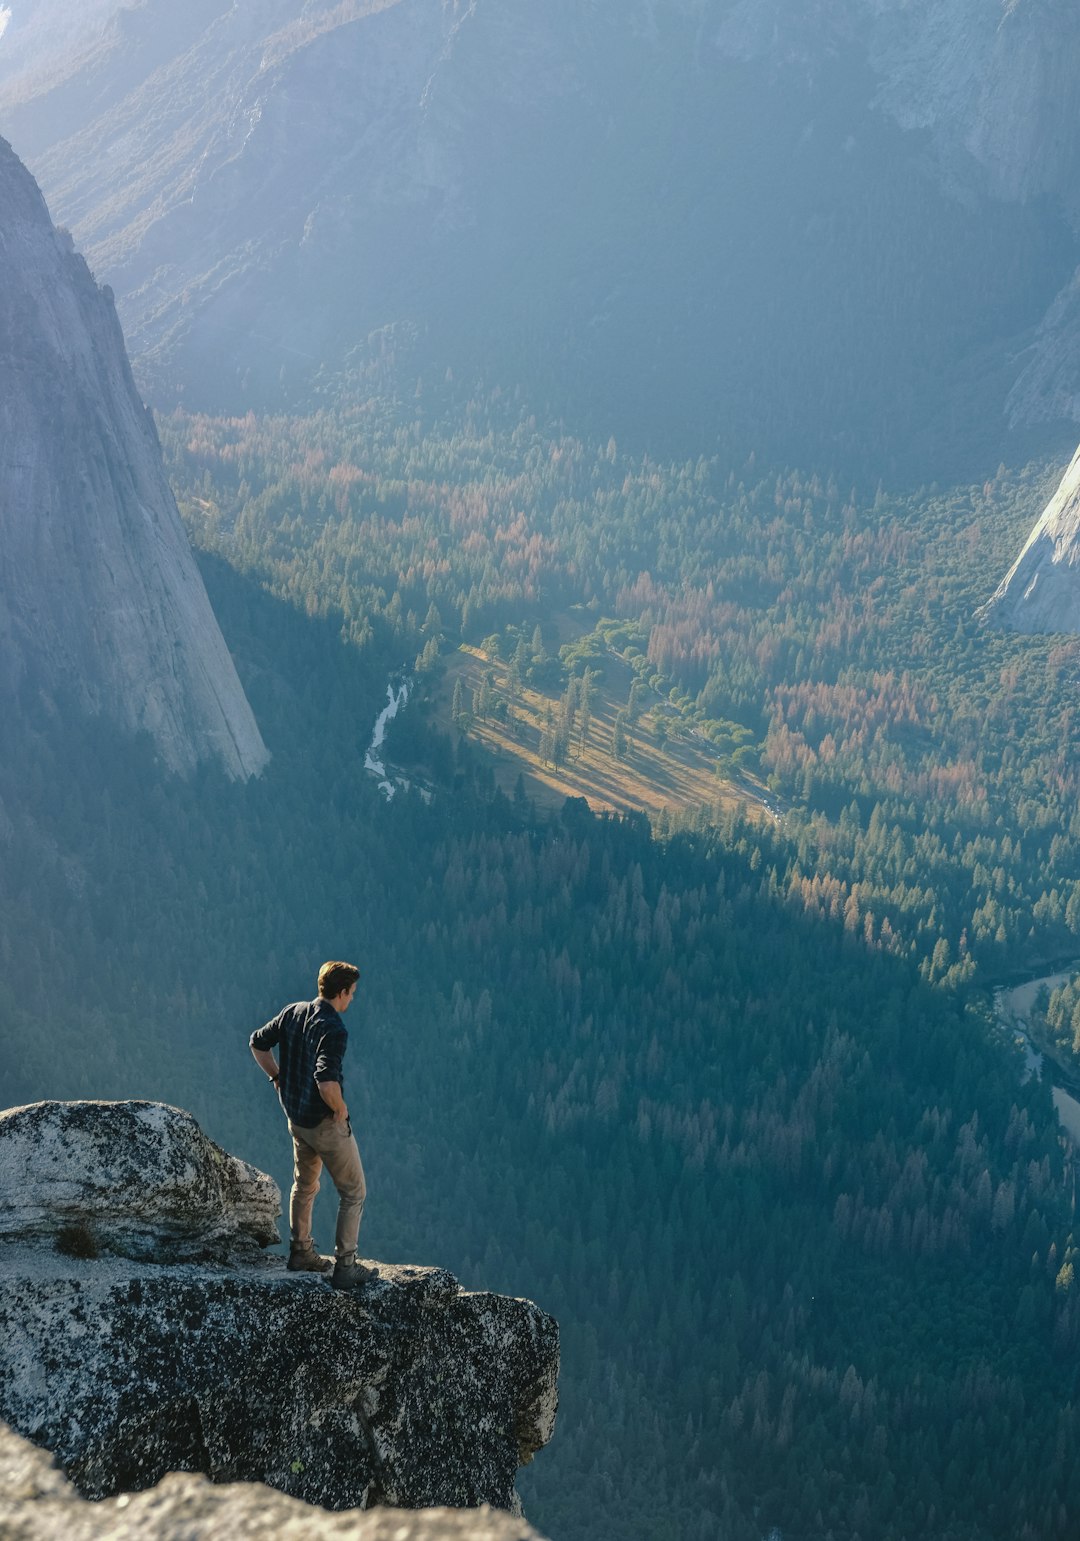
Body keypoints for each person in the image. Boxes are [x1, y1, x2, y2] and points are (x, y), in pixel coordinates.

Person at [249, 960, 375, 1289]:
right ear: (341, 992)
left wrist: (276, 1075)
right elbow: (326, 1081)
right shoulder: (334, 1029)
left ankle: (300, 1251)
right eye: (352, 993)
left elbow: (257, 1042)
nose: (352, 999)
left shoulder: (293, 1012)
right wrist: (341, 1109)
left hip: (297, 1120)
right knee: (354, 1192)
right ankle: (345, 1266)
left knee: (305, 1184)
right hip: (324, 1124)